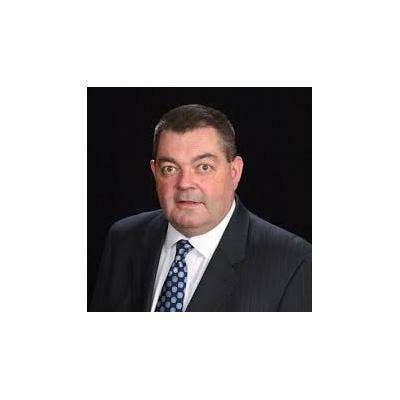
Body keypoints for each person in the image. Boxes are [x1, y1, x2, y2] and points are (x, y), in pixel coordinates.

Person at [90, 104, 311, 312]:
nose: (185, 183)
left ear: (234, 172)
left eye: (204, 167)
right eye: (170, 168)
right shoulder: (123, 238)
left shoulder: (293, 263)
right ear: (155, 173)